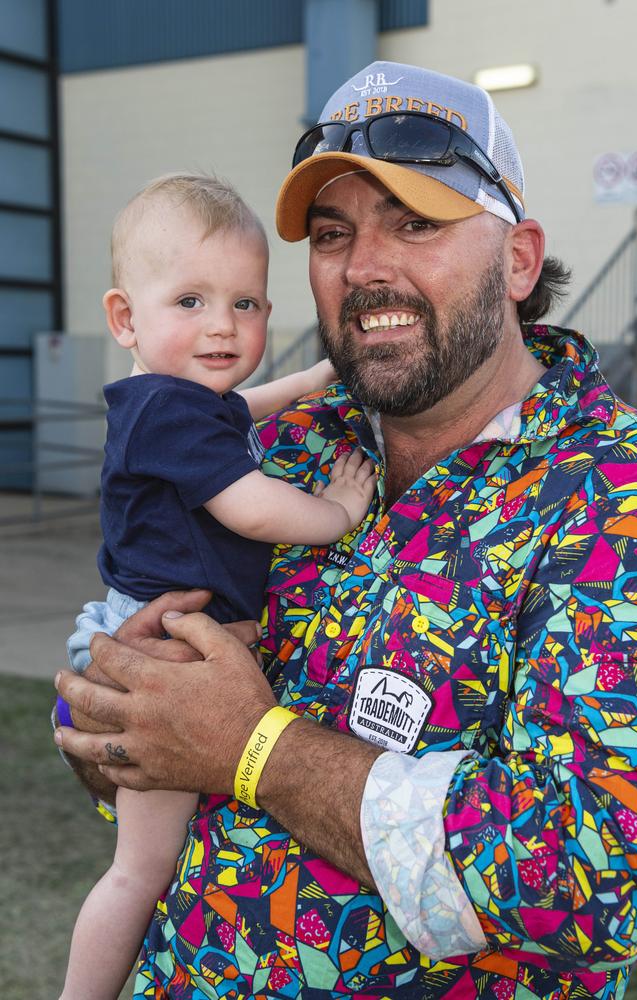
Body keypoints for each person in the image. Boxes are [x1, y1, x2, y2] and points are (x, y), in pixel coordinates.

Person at [55, 62, 637, 1000]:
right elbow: (146, 733)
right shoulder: (276, 449)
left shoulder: (613, 497)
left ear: (519, 259)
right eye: (333, 234)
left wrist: (256, 747)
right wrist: (115, 728)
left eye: (416, 222)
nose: (364, 266)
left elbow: (598, 880)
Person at [57, 173, 375, 1000]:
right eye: (191, 301)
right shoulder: (166, 410)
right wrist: (337, 510)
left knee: (162, 859)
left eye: (247, 304)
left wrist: (304, 385)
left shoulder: (179, 401)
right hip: (163, 648)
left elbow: (238, 413)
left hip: (167, 630)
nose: (224, 327)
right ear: (125, 318)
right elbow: (253, 508)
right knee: (141, 870)